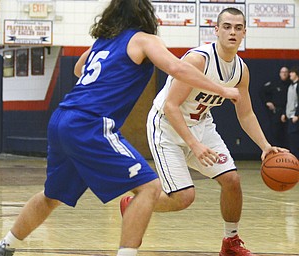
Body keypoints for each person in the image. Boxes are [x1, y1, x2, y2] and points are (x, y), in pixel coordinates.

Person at [0, 1, 240, 256]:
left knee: (51, 195)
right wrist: (221, 89)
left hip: (62, 118)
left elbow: (79, 69)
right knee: (150, 189)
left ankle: (4, 246)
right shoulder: (144, 40)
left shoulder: (102, 42)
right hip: (91, 123)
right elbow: (176, 68)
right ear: (146, 13)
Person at [120, 7, 288, 256]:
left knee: (232, 180)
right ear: (216, 30)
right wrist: (194, 146)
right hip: (166, 127)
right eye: (227, 26)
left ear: (244, 33)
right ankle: (134, 205)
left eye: (238, 28)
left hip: (201, 125)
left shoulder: (241, 70)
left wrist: (265, 146)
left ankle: (230, 243)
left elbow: (246, 114)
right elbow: (171, 106)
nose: (232, 32)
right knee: (184, 198)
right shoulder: (199, 60)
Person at [259, 66, 290, 148]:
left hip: (288, 112)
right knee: (275, 133)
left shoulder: (291, 85)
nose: (284, 74)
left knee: (288, 135)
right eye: (282, 72)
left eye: (286, 72)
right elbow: (262, 91)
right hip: (277, 112)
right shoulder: (274, 84)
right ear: (280, 74)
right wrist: (267, 102)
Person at [281, 66, 299, 159]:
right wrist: (284, 113)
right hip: (289, 116)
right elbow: (289, 101)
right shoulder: (290, 85)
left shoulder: (297, 86)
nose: (290, 74)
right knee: (291, 140)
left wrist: (297, 115)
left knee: (295, 140)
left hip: (295, 117)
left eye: (292, 73)